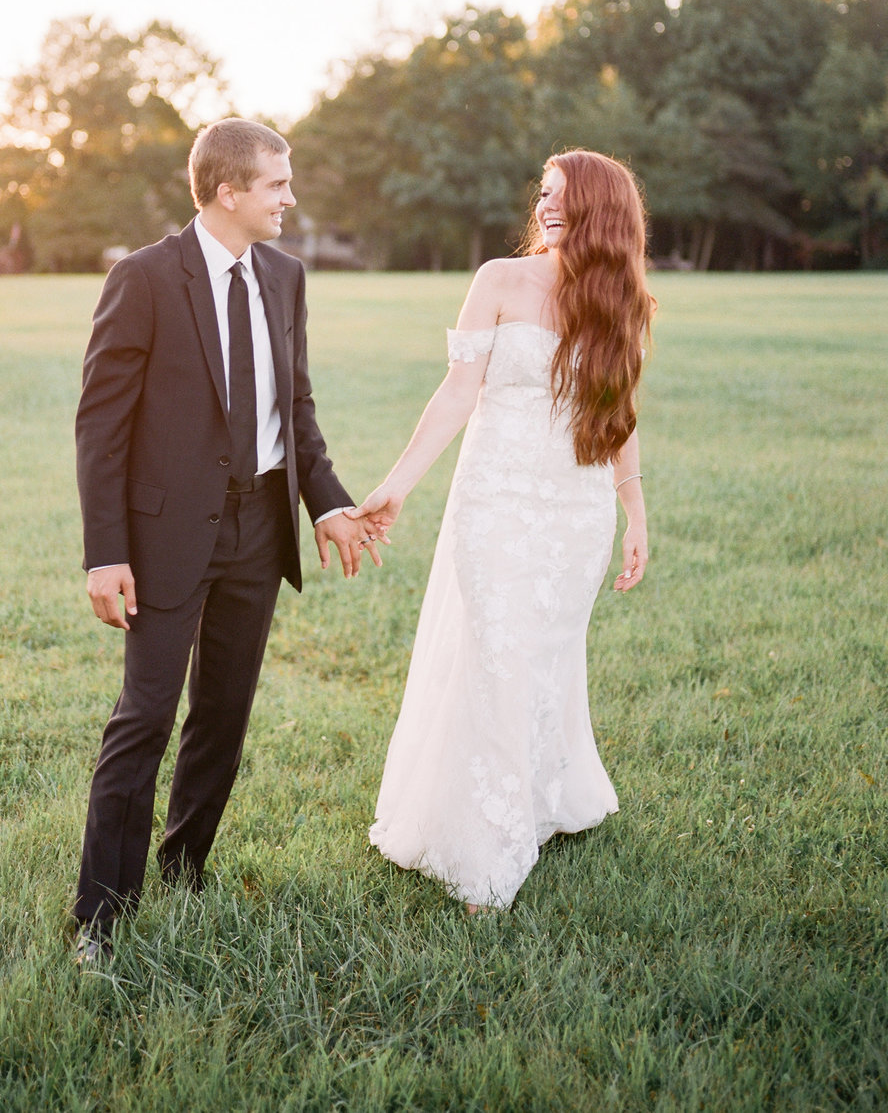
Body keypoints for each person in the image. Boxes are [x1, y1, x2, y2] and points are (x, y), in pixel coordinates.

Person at [71, 118, 382, 964]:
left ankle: (183, 868)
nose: (291, 197)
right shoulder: (142, 278)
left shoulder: (285, 274)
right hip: (167, 533)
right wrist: (105, 552)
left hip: (257, 528)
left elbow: (297, 410)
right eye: (278, 183)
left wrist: (327, 505)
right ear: (227, 191)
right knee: (146, 714)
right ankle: (99, 917)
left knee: (224, 712)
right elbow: (100, 426)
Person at [357, 149, 653, 911]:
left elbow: (618, 419)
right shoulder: (497, 279)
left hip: (574, 510)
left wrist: (635, 513)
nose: (546, 206)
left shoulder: (621, 300)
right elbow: (458, 394)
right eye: (543, 194)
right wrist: (396, 483)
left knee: (545, 660)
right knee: (497, 653)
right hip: (493, 503)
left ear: (602, 210)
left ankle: (545, 796)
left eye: (563, 196)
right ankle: (489, 848)